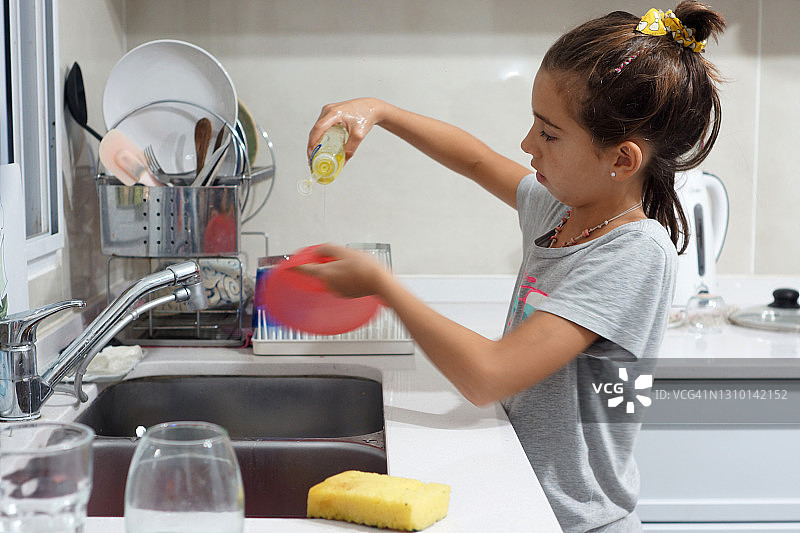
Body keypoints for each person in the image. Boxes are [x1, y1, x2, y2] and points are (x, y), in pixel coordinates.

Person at [301, 2, 725, 531]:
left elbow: (489, 375)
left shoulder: (634, 253)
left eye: (548, 134)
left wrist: (382, 286)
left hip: (577, 521)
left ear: (621, 160)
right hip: (527, 498)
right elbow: (475, 159)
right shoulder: (563, 211)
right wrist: (380, 111)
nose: (527, 145)